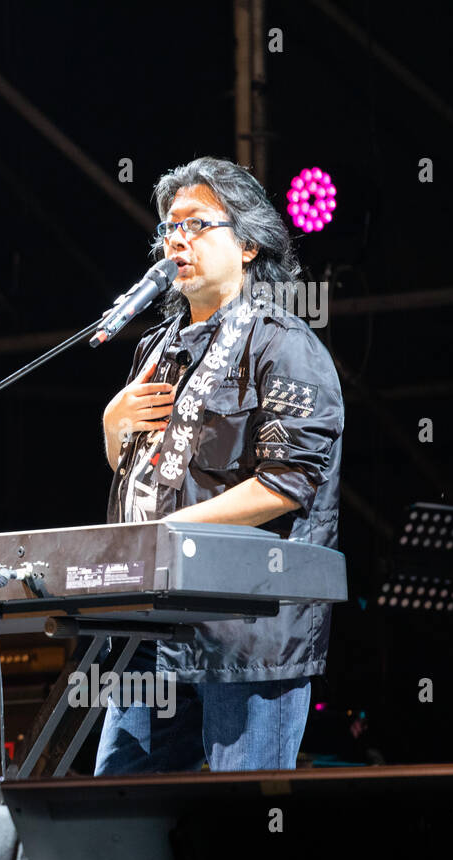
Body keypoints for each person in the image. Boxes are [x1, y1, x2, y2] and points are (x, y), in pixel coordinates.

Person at [96, 157, 344, 773]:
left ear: (250, 242)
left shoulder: (284, 343)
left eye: (196, 224)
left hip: (244, 633)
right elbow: (136, 477)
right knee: (113, 814)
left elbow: (288, 483)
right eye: (167, 228)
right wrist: (112, 425)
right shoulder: (160, 350)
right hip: (150, 629)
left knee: (235, 825)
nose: (175, 239)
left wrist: (170, 537)